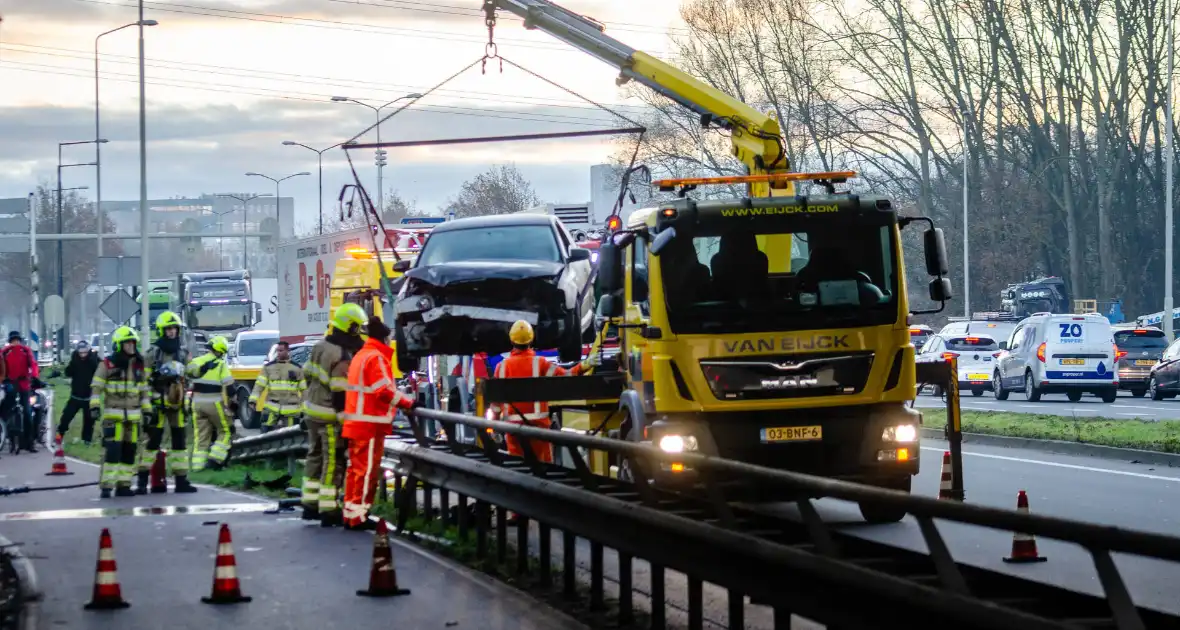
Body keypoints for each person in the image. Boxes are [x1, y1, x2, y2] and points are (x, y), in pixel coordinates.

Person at [341, 316, 418, 531]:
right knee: (366, 473)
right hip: (370, 425)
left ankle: (350, 514)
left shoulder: (361, 355)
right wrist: (407, 402)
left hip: (357, 424)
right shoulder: (376, 357)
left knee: (355, 471)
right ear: (384, 337)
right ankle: (359, 516)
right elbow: (383, 390)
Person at [488, 320, 598, 463]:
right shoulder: (540, 363)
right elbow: (566, 376)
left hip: (514, 432)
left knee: (518, 471)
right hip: (539, 431)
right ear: (531, 339)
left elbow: (496, 404)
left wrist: (495, 427)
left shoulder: (501, 368)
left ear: (511, 340)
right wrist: (584, 365)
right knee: (544, 474)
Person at [301, 302, 367, 527]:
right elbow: (340, 394)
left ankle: (310, 504)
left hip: (311, 411)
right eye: (358, 328)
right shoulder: (342, 355)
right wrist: (345, 423)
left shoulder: (320, 346)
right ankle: (328, 508)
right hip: (329, 416)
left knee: (314, 456)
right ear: (350, 327)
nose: (360, 333)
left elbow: (307, 375)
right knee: (332, 461)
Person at [138, 311, 197, 494]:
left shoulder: (183, 352)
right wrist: (148, 404)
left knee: (180, 443)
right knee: (152, 443)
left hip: (177, 406)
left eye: (174, 329)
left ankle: (181, 481)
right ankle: (141, 482)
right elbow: (142, 382)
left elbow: (190, 377)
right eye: (168, 329)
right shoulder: (152, 353)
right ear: (161, 331)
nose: (172, 332)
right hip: (157, 405)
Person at [90, 326, 151, 498]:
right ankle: (107, 486)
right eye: (127, 343)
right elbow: (96, 387)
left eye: (133, 343)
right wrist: (94, 407)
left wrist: (147, 412)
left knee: (129, 452)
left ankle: (124, 485)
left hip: (133, 418)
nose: (131, 346)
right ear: (119, 345)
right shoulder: (107, 364)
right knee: (112, 452)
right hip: (113, 417)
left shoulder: (139, 365)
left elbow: (144, 391)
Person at [187, 336, 236, 472]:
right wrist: (233, 403)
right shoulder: (220, 365)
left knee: (201, 436)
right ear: (220, 351)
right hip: (214, 403)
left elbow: (187, 373)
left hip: (196, 404)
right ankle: (214, 460)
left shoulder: (196, 361)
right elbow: (230, 387)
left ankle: (198, 467)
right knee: (225, 431)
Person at [249, 341, 305, 433]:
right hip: (272, 407)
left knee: (292, 436)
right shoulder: (268, 367)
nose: (278, 353)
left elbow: (304, 390)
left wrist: (305, 408)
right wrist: (253, 400)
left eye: (281, 350)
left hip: (291, 408)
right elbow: (259, 386)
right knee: (265, 434)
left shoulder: (297, 368)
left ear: (287, 351)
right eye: (277, 350)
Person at [2, 331, 41, 453]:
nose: (15, 343)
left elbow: (33, 364)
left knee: (28, 413)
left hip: (24, 385)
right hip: (10, 384)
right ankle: (4, 436)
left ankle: (30, 442)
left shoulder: (26, 351)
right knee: (4, 411)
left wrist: (34, 376)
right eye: (13, 341)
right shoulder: (5, 351)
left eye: (17, 340)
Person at [56, 340, 100, 445]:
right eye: (81, 353)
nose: (83, 355)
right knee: (66, 417)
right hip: (76, 396)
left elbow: (101, 371)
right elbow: (68, 372)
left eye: (85, 352)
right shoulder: (75, 359)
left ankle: (87, 441)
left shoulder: (94, 359)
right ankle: (59, 436)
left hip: (89, 397)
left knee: (89, 420)